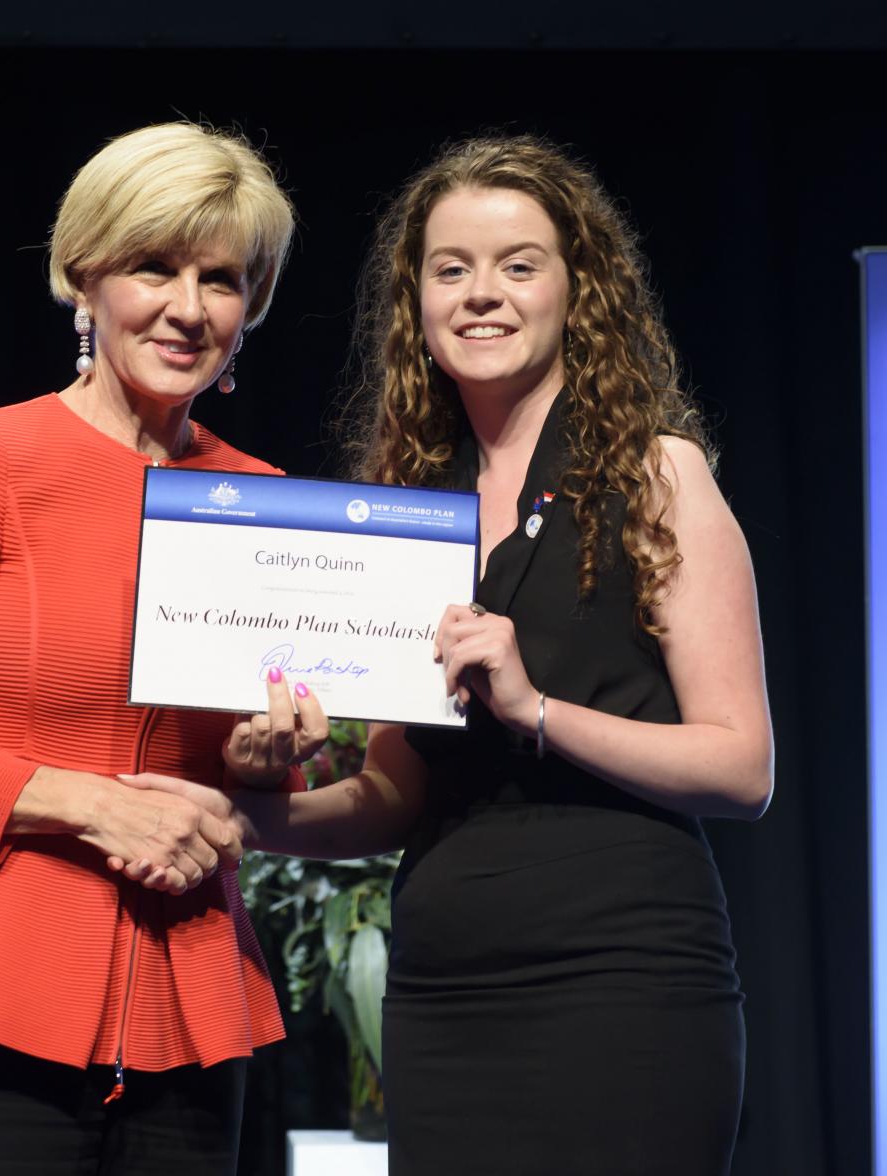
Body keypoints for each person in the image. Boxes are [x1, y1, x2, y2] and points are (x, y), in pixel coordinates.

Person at [122, 134, 773, 1175]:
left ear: (578, 290)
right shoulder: (408, 509)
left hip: (626, 987)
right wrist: (238, 812)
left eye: (519, 265)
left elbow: (742, 768)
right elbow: (392, 792)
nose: (483, 294)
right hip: (442, 998)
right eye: (451, 269)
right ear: (415, 300)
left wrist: (538, 710)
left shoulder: (657, 474)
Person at [0, 122, 325, 1176]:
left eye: (222, 279)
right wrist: (91, 801)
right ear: (85, 277)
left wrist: (264, 763)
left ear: (253, 306)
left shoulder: (268, 501)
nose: (189, 308)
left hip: (191, 1014)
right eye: (154, 266)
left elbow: (241, 772)